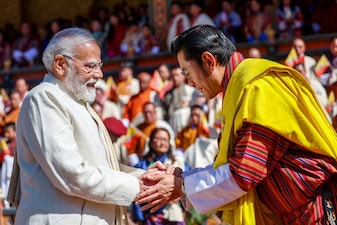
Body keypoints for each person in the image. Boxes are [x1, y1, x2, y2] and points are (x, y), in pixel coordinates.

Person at [137, 25, 337, 225]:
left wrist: (182, 185)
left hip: (315, 213)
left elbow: (243, 173)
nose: (189, 83)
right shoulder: (238, 89)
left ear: (208, 61)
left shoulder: (260, 87)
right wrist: (184, 178)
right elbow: (235, 164)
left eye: (187, 73)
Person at [9, 27, 153, 225]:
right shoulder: (45, 97)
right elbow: (71, 173)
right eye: (90, 66)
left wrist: (148, 177)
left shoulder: (77, 102)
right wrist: (139, 186)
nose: (100, 74)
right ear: (60, 64)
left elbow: (100, 167)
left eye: (99, 65)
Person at [131, 127, 186, 225]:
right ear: (151, 142)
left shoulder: (177, 162)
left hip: (173, 215)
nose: (162, 143)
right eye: (158, 139)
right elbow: (135, 189)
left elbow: (188, 184)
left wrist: (179, 192)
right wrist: (139, 217)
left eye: (165, 140)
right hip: (151, 215)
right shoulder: (142, 165)